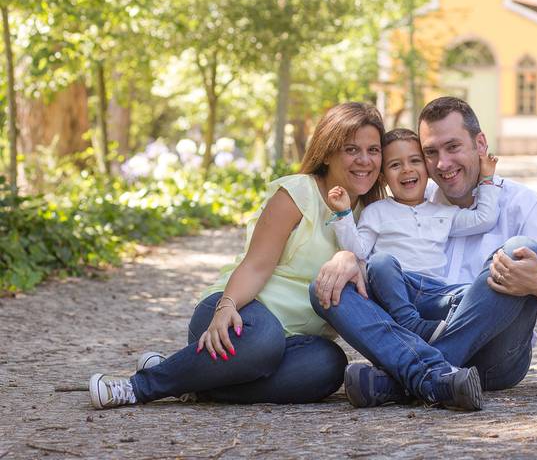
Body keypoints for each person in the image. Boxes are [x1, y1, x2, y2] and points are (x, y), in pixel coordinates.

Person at [88, 102, 387, 409]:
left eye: (373, 150)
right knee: (263, 341)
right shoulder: (298, 194)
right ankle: (139, 387)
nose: (364, 160)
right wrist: (225, 306)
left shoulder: (375, 216)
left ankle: (194, 380)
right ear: (327, 153)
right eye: (351, 149)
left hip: (294, 346)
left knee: (328, 366)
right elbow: (255, 266)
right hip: (239, 317)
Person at [310, 96, 537, 411]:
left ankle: (404, 377)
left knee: (520, 250)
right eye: (431, 153)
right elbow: (369, 253)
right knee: (325, 289)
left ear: (480, 143)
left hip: (495, 358)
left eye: (453, 147)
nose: (442, 163)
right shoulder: (411, 198)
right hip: (418, 332)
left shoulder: (520, 202)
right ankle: (436, 378)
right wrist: (346, 257)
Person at [326, 127, 500, 344]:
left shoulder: (444, 212)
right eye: (395, 165)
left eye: (415, 161)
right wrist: (343, 214)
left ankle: (439, 334)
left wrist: (486, 178)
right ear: (382, 178)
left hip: (435, 293)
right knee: (380, 262)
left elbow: (484, 219)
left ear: (427, 169)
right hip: (395, 289)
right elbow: (358, 250)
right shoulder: (377, 211)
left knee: (478, 290)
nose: (406, 170)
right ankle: (410, 323)